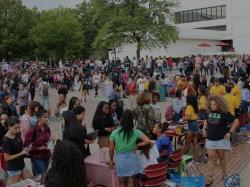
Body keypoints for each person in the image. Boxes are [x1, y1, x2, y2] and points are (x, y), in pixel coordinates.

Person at [109, 110, 151, 187]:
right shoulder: (136, 131)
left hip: (121, 161)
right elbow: (148, 141)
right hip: (132, 159)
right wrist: (137, 145)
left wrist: (111, 160)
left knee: (122, 182)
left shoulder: (114, 132)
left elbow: (111, 149)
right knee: (131, 181)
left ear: (121, 119)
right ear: (131, 120)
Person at [203, 96, 238, 185]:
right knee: (211, 157)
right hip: (210, 139)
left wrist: (230, 132)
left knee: (221, 157)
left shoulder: (224, 113)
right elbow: (206, 121)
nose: (212, 106)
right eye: (211, 104)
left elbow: (236, 121)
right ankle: (210, 177)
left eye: (214, 104)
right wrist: (204, 128)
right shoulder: (209, 112)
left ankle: (224, 172)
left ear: (219, 105)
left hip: (221, 140)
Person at [2, 117, 32, 185]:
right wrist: (21, 153)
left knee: (30, 180)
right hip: (14, 168)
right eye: (15, 128)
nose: (18, 130)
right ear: (9, 127)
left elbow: (20, 147)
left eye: (19, 127)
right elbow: (7, 158)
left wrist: (25, 149)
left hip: (21, 164)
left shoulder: (17, 134)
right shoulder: (6, 140)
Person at [24, 109, 51, 176]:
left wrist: (51, 143)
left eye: (47, 117)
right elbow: (27, 145)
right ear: (39, 118)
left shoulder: (47, 128)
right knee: (44, 175)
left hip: (46, 156)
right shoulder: (33, 129)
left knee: (38, 176)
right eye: (45, 117)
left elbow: (48, 140)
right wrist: (39, 148)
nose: (47, 119)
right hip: (37, 157)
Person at [183, 95, 200, 163]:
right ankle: (196, 159)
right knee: (195, 143)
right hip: (195, 124)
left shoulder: (189, 107)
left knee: (187, 143)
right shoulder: (195, 106)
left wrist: (185, 118)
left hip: (191, 125)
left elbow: (188, 118)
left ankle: (181, 158)